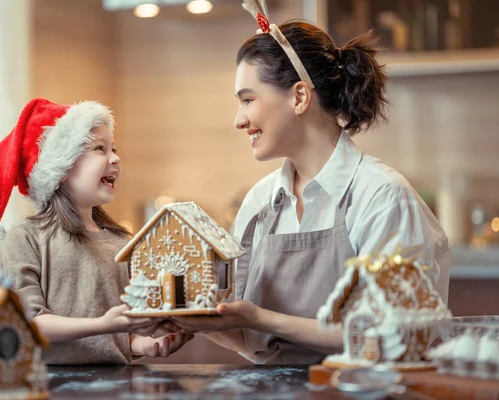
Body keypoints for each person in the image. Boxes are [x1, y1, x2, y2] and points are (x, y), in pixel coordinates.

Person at [165, 5, 450, 364]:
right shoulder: (258, 203)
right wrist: (194, 320)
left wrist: (262, 318)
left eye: (248, 100)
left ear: (299, 97)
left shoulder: (381, 196)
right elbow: (246, 335)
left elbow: (394, 334)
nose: (239, 120)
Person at [0, 98, 193, 364]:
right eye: (100, 149)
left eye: (114, 149)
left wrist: (147, 343)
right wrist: (101, 324)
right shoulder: (25, 239)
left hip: (115, 388)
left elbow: (121, 332)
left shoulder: (121, 242)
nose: (116, 158)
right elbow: (24, 323)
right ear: (61, 168)